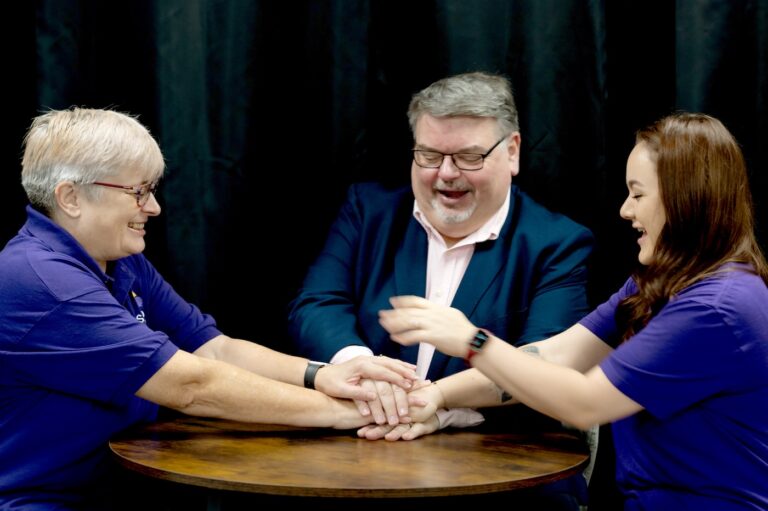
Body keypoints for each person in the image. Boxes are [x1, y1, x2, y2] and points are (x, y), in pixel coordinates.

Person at [0, 108, 418, 511]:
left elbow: (214, 349)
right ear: (71, 197)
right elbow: (191, 385)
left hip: (124, 487)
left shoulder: (118, 258)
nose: (154, 208)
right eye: (138, 192)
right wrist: (358, 412)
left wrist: (323, 374)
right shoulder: (42, 280)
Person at [379, 112, 768, 510]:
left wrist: (471, 340)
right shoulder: (660, 283)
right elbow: (555, 357)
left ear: (685, 197)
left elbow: (585, 402)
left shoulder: (716, 309)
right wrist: (436, 396)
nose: (625, 210)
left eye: (637, 194)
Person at [288, 71, 594, 507]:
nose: (446, 175)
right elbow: (316, 304)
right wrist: (364, 373)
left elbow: (543, 363)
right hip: (362, 459)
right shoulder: (368, 210)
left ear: (512, 152)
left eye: (468, 157)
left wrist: (443, 407)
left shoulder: (556, 243)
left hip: (501, 475)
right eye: (429, 155)